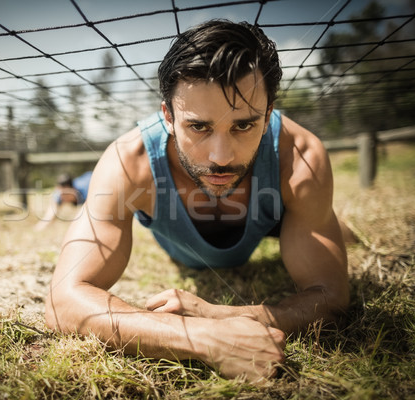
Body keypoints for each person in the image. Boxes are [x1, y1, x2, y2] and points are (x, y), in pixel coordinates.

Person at [45, 20, 349, 382]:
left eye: (243, 126)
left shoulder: (300, 158)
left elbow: (332, 300)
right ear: (168, 117)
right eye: (199, 127)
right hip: (183, 243)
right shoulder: (130, 163)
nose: (220, 157)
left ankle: (337, 226)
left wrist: (215, 315)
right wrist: (201, 338)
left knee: (339, 231)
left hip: (273, 217)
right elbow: (62, 300)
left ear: (268, 116)